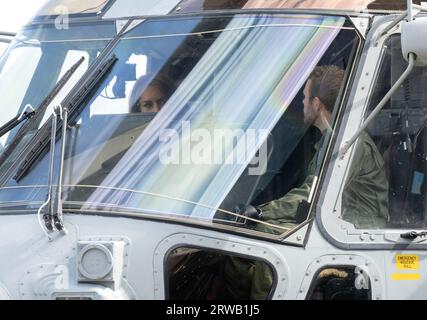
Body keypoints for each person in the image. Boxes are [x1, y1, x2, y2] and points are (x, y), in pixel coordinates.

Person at [222, 65, 389, 300]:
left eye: (304, 97)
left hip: (358, 229)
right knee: (247, 237)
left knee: (267, 249)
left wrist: (261, 212)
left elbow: (313, 192)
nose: (301, 103)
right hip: (337, 220)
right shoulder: (331, 141)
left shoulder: (350, 143)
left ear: (317, 103)